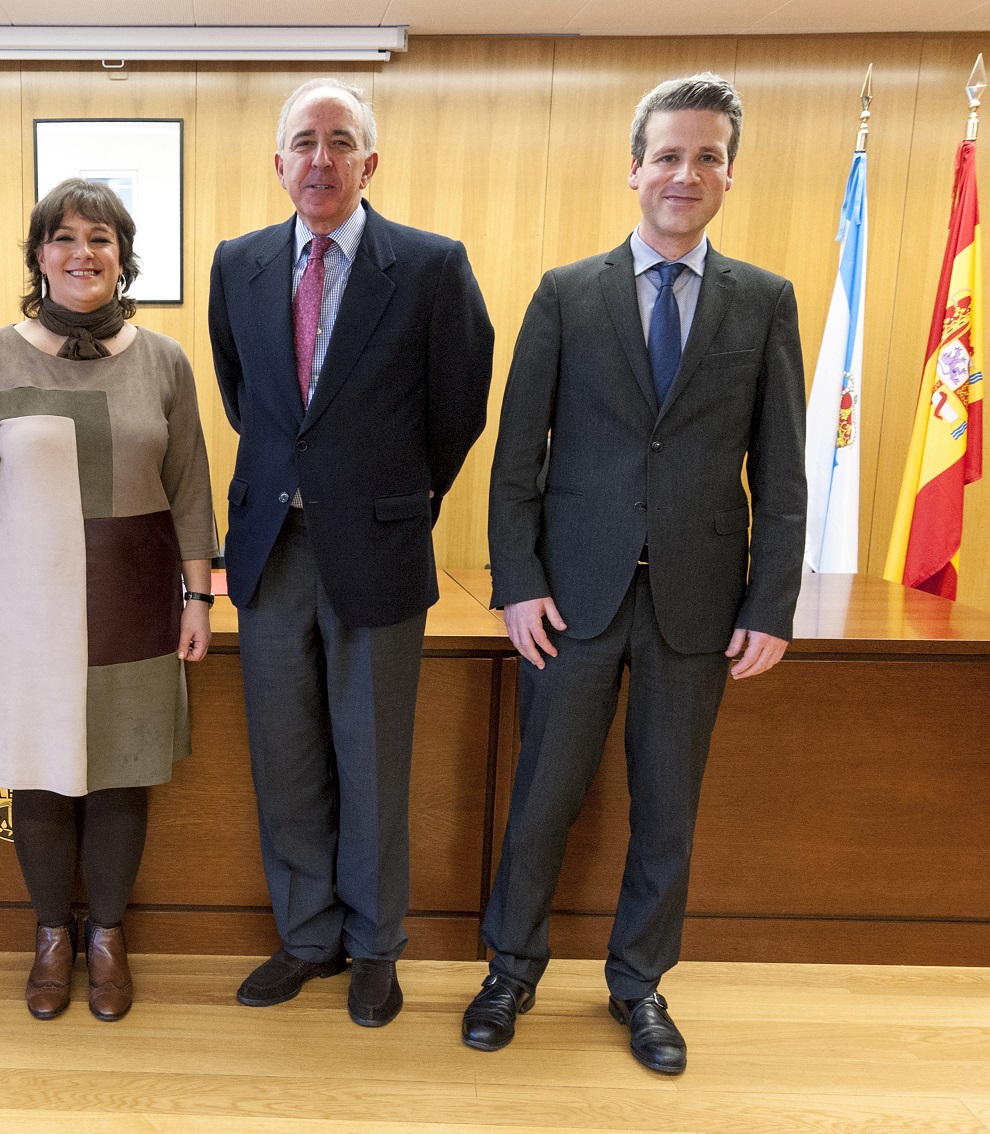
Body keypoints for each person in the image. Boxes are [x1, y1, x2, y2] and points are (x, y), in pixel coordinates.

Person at [467, 73, 806, 1072]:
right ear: (634, 168)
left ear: (729, 176)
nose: (684, 173)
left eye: (706, 157)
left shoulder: (764, 302)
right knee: (544, 798)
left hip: (697, 603)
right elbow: (515, 456)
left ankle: (640, 984)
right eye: (667, 155)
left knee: (667, 808)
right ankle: (510, 969)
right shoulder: (565, 294)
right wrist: (518, 583)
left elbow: (783, 470)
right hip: (570, 600)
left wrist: (771, 601)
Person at [207, 78, 493, 1028]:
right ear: (278, 162)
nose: (320, 158)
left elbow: (457, 405)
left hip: (377, 546)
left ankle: (375, 947)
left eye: (339, 141)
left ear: (370, 163)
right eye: (304, 141)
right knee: (285, 756)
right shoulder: (238, 264)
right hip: (270, 550)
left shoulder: (430, 267)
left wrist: (395, 495)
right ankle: (307, 938)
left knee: (371, 760)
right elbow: (245, 397)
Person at [0, 178, 218, 1023]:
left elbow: (191, 487)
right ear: (38, 256)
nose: (81, 253)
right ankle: (52, 936)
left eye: (100, 238)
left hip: (135, 599)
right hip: (25, 609)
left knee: (123, 771)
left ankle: (107, 937)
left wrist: (199, 596)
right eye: (63, 237)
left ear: (122, 258)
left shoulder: (164, 361)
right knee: (39, 776)